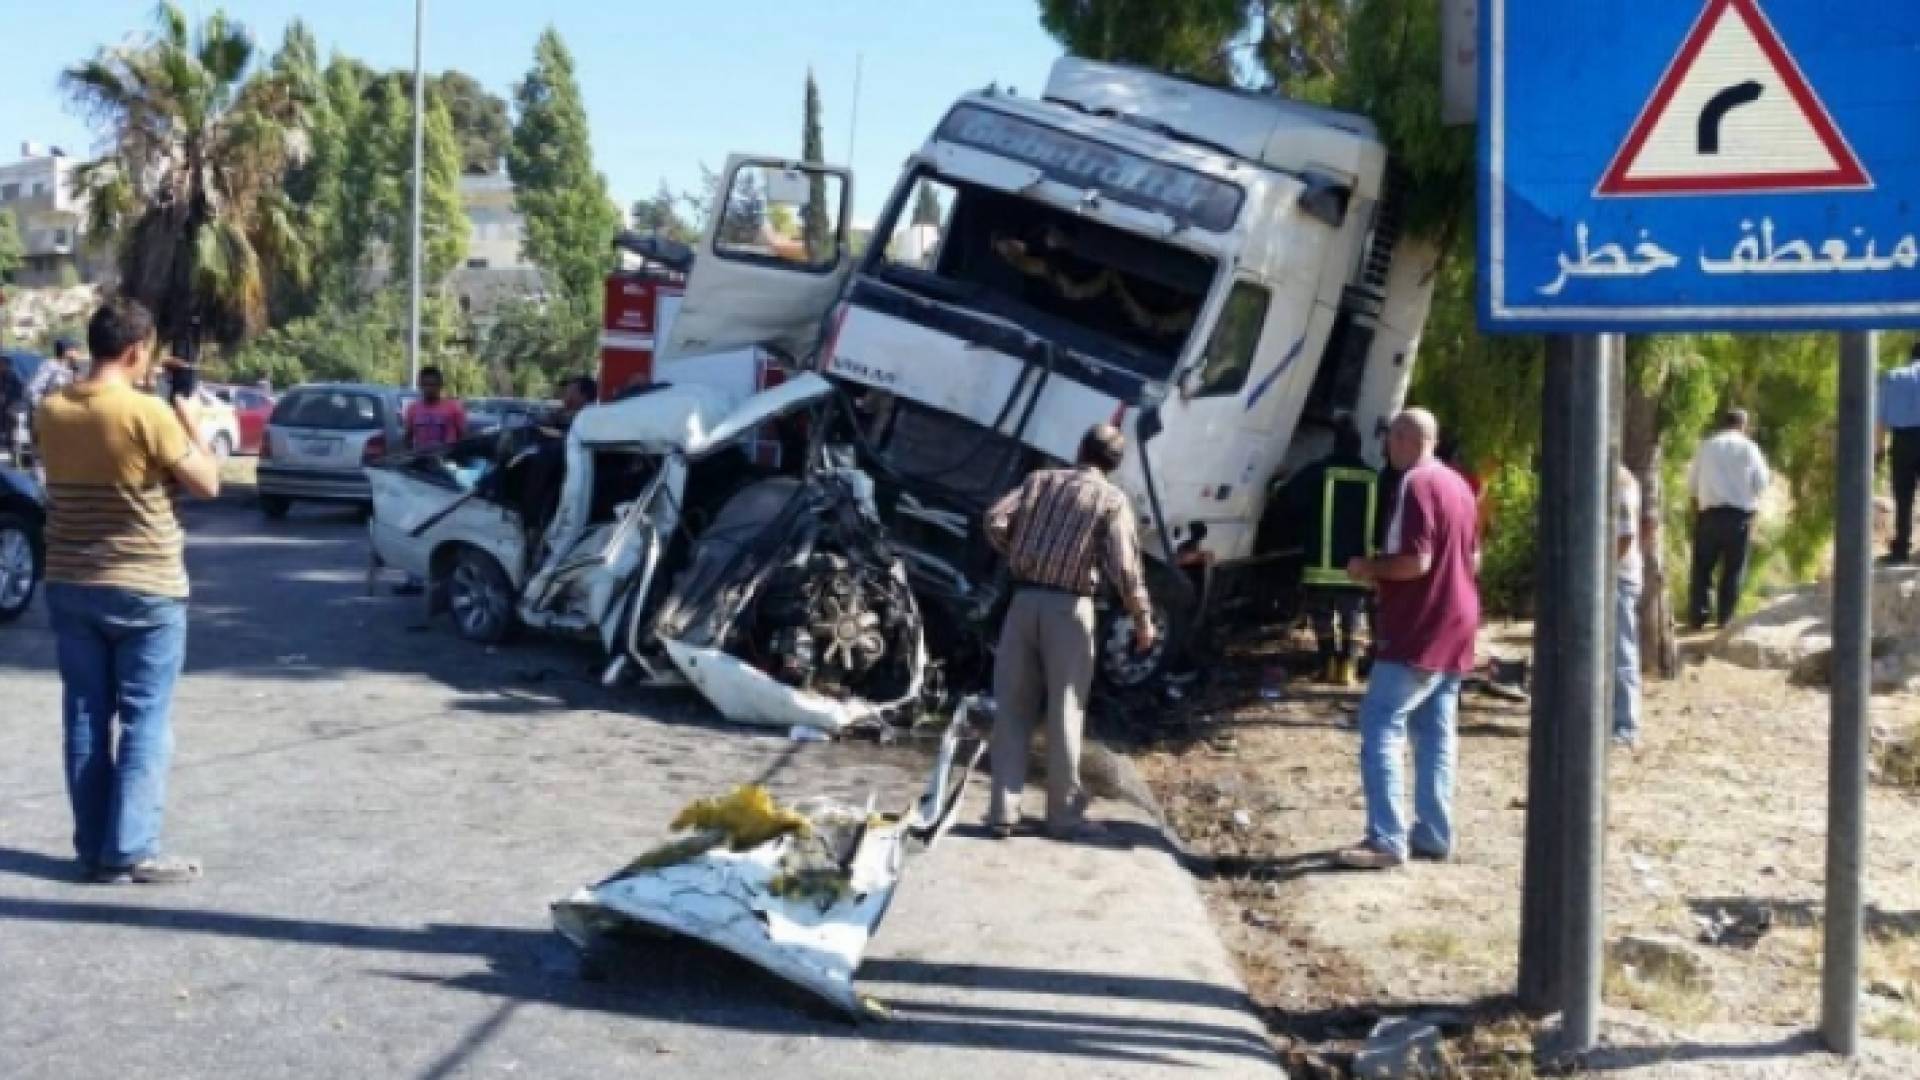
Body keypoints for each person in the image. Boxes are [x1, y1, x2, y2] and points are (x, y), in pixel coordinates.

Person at [34, 298, 221, 885]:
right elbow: (209, 482)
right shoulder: (146, 413)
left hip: (69, 579)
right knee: (145, 719)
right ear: (138, 350)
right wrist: (188, 414)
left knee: (86, 716)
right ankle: (131, 847)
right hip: (146, 585)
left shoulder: (51, 409)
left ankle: (92, 846)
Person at [984, 423, 1156, 841]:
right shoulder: (1111, 500)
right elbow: (1124, 567)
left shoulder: (1039, 481)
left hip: (1023, 603)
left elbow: (994, 518)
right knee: (1065, 708)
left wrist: (1020, 552)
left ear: (1079, 449)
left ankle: (1002, 812)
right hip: (1070, 610)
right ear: (1115, 464)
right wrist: (1142, 618)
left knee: (1012, 707)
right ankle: (1062, 816)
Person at [1337, 409, 1481, 870]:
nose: (1386, 447)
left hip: (1419, 624)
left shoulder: (1414, 486)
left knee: (1380, 722)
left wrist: (1368, 568)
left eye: (1390, 438)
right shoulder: (1460, 486)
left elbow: (1414, 562)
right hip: (1459, 621)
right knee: (1436, 731)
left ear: (1402, 439)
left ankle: (1385, 838)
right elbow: (1473, 558)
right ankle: (1434, 834)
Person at [1281, 420, 1377, 686]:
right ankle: (1348, 668)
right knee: (1352, 617)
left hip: (1320, 567)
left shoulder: (1317, 472)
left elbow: (1288, 500)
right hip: (1358, 569)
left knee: (1322, 616)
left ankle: (1327, 665)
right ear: (1359, 448)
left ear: (1335, 444)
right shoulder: (1373, 478)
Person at [1687, 409, 1770, 630]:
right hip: (1738, 518)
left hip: (1709, 515)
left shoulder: (1706, 446)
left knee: (1702, 569)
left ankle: (1698, 617)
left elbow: (1692, 485)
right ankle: (1725, 619)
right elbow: (1761, 483)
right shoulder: (1750, 448)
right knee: (1733, 571)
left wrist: (1698, 512)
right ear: (1743, 425)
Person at [1879, 344, 1920, 566]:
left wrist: (1879, 450)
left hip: (1902, 441)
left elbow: (1881, 419)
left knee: (1903, 497)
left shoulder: (1894, 377)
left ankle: (1901, 549)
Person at [1614, 464, 1644, 748]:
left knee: (1621, 652)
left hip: (1617, 578)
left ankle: (1626, 726)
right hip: (1617, 575)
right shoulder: (1619, 477)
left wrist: (1602, 572)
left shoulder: (1619, 480)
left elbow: (1625, 536)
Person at [402, 366, 467, 452]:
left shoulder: (454, 408)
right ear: (420, 385)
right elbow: (408, 437)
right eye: (425, 385)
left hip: (447, 459)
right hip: (421, 459)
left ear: (440, 385)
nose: (428, 389)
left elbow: (463, 437)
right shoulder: (412, 408)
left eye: (432, 385)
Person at [28, 337, 83, 407]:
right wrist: (46, 407)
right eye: (75, 349)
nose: (78, 352)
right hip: (50, 411)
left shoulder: (74, 368)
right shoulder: (51, 366)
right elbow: (33, 390)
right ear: (67, 352)